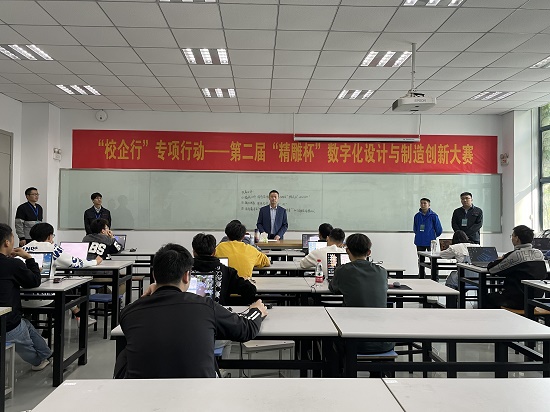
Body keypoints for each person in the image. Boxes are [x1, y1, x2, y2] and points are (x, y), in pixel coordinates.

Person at [116, 243, 267, 378]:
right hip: (199, 395)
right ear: (186, 276)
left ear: (154, 275)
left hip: (142, 395)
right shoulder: (205, 306)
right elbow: (246, 329)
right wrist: (257, 310)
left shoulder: (129, 312)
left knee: (126, 352)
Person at [23, 222, 101, 325]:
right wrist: (95, 262)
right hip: (44, 299)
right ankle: (78, 317)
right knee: (65, 292)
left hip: (21, 299)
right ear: (49, 236)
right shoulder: (52, 248)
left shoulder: (23, 249)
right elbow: (75, 263)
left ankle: (79, 316)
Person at [329, 233, 394, 355]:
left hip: (352, 341)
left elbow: (333, 289)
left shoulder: (342, 270)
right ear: (369, 252)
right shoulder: (382, 271)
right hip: (384, 341)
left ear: (347, 251)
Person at [0, 223, 52, 371]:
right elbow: (34, 281)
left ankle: (48, 354)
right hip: (7, 324)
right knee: (20, 326)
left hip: (7, 318)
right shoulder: (13, 264)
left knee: (26, 324)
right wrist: (29, 258)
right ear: (7, 243)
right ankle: (40, 360)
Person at [486, 225, 547, 310]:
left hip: (517, 300)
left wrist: (501, 259)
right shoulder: (539, 253)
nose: (511, 238)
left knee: (487, 298)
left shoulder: (516, 255)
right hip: (536, 300)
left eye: (512, 236)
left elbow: (492, 269)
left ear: (517, 238)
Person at [192, 233, 256, 305]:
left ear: (194, 252)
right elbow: (250, 291)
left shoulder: (184, 270)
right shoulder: (227, 272)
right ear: (214, 252)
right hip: (218, 311)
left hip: (189, 311)